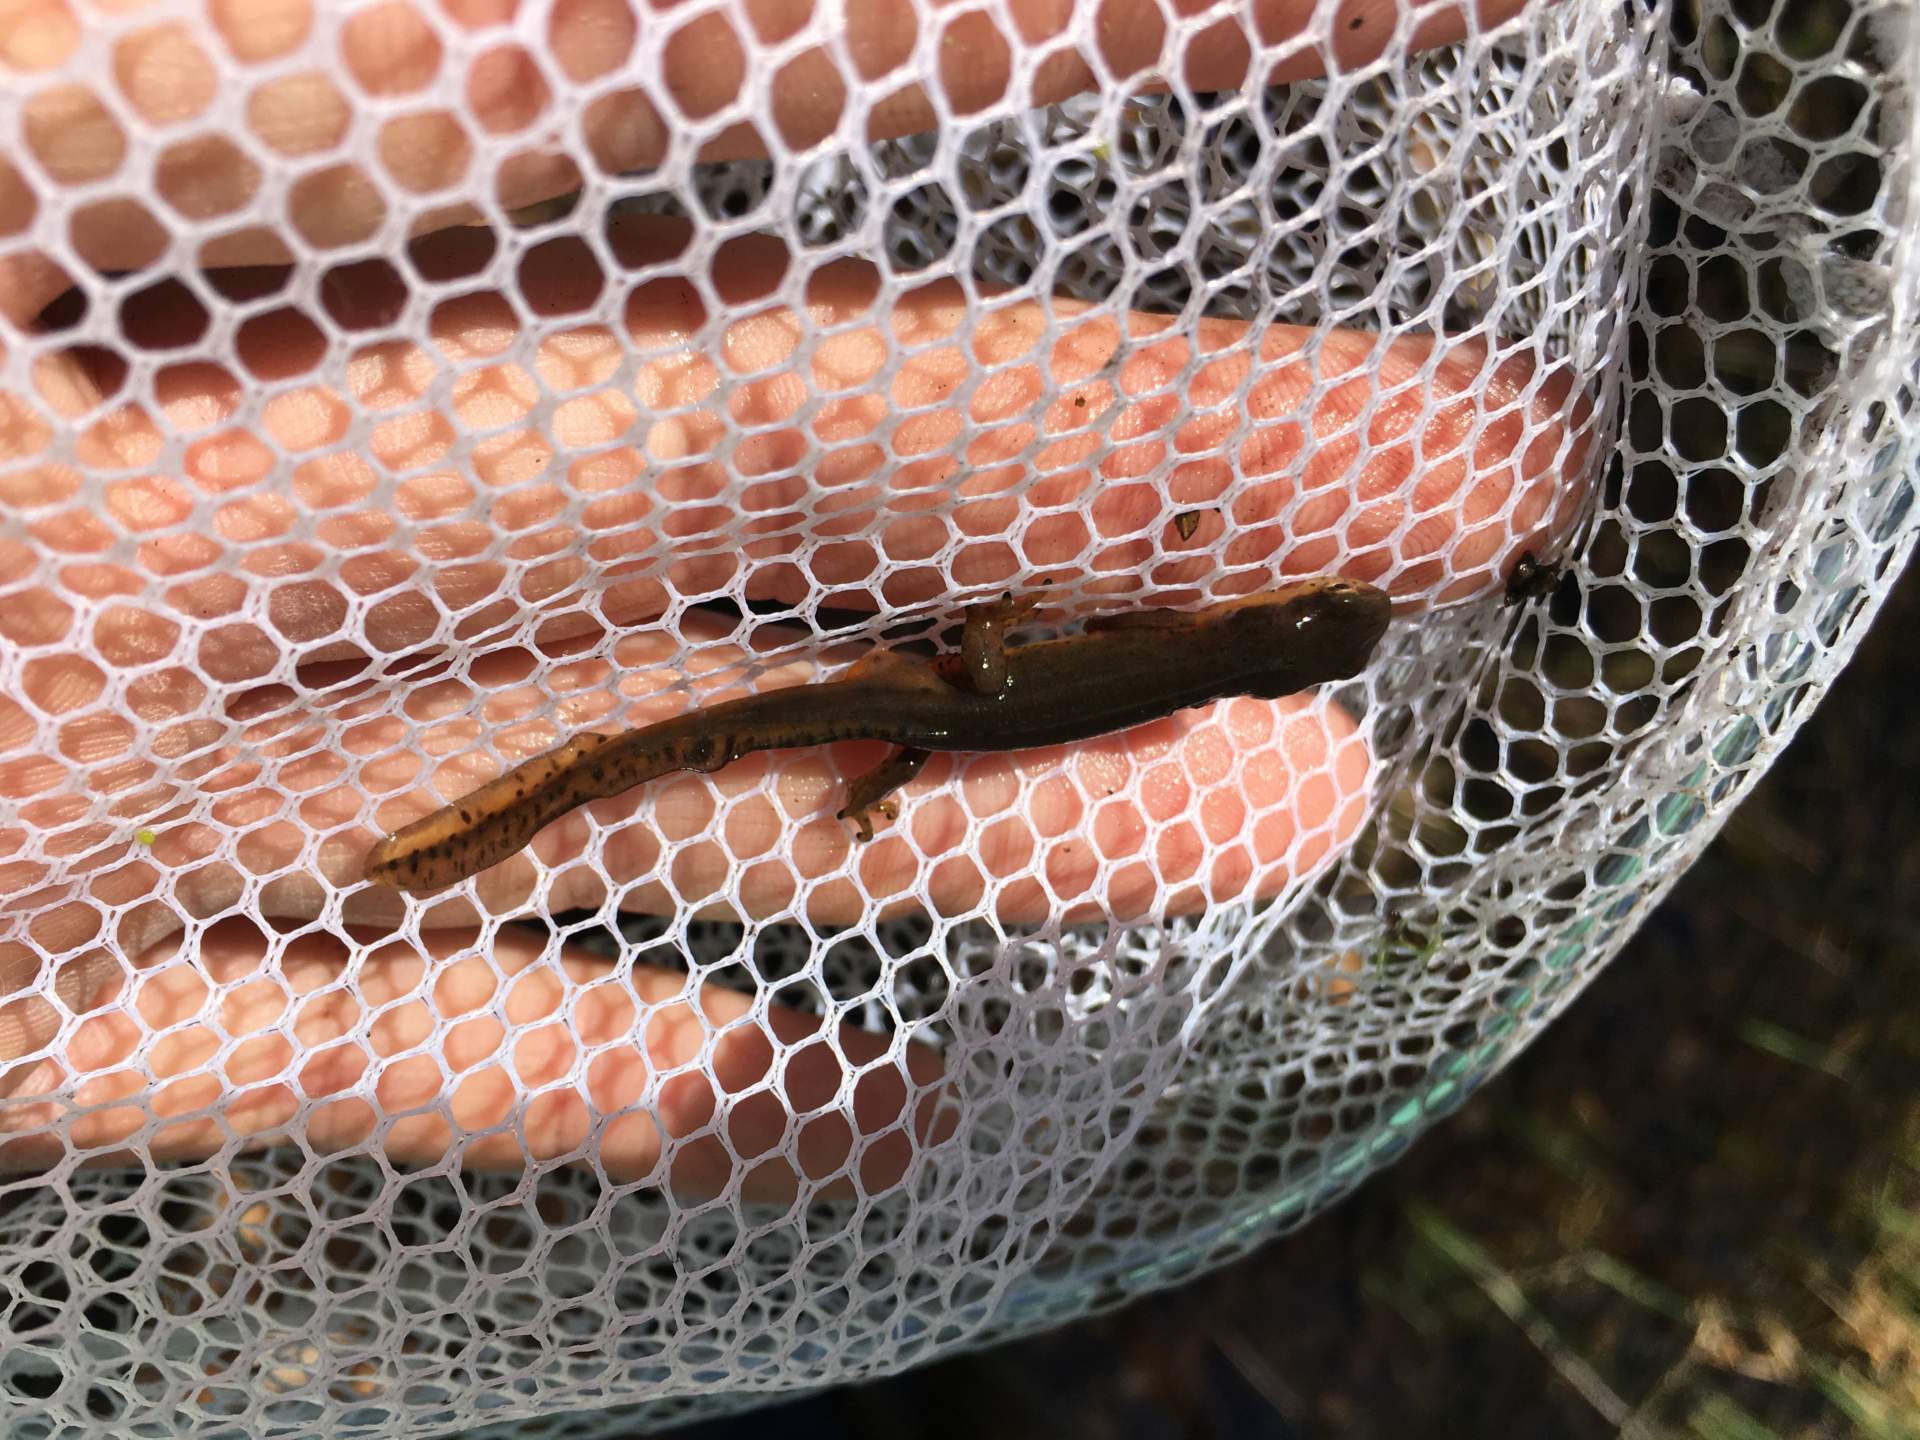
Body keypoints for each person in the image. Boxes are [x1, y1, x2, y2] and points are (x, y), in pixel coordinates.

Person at [0, 0, 1583, 1207]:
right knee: (720, 735)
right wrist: (922, 745)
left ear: (1285, 609)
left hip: (944, 706)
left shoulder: (1199, 661)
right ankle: (504, 819)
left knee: (743, 733)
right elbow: (1087, 665)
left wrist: (975, 668)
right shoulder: (1199, 674)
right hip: (930, 722)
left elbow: (1069, 659)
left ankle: (497, 820)